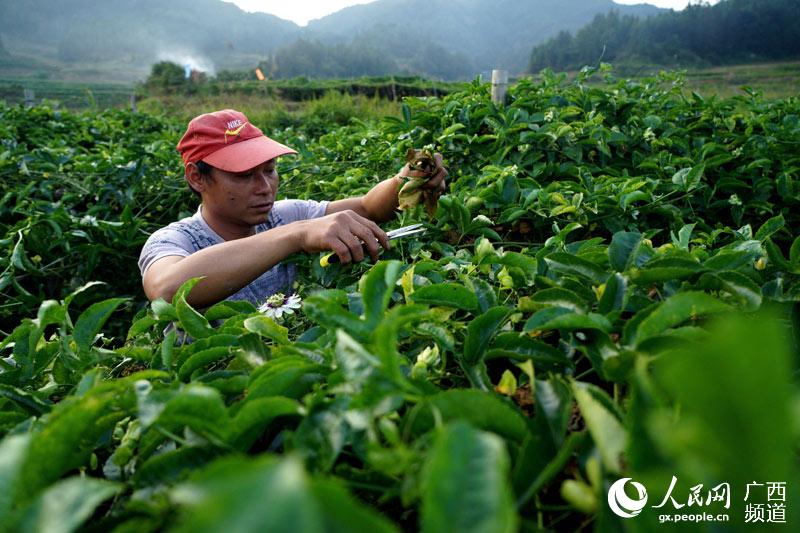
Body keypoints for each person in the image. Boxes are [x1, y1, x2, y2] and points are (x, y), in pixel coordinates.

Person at [138, 109, 447, 308]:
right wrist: (296, 235)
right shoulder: (175, 241)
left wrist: (408, 179)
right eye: (244, 175)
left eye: (269, 170)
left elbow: (369, 207)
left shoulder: (284, 215)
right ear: (197, 177)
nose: (264, 187)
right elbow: (167, 289)